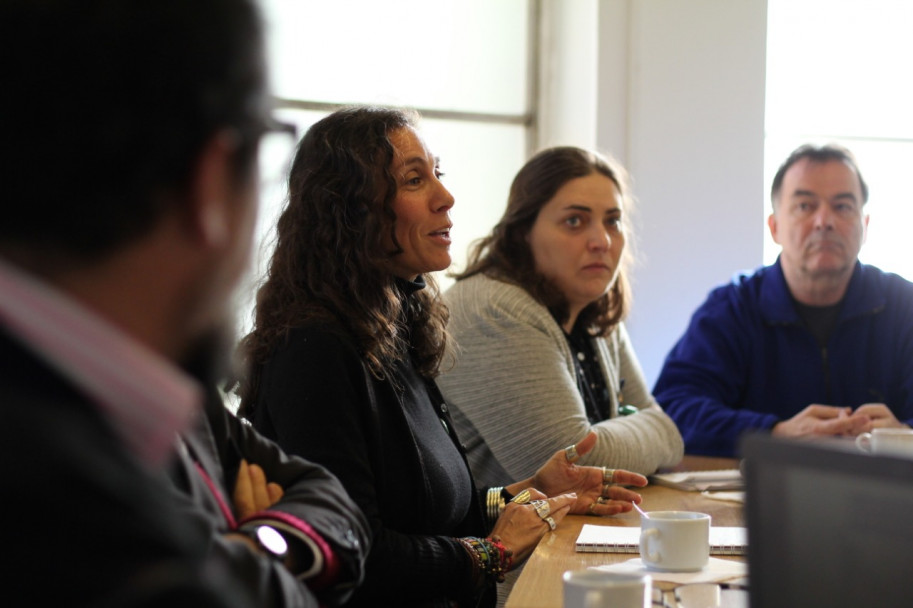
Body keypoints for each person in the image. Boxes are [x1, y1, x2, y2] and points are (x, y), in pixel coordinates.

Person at [1, 1, 368, 605]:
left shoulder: (166, 385)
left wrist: (264, 542)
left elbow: (327, 494)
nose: (446, 198)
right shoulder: (107, 548)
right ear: (211, 182)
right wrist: (264, 570)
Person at [237, 107, 648, 608]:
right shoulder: (314, 349)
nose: (445, 197)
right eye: (414, 180)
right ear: (351, 210)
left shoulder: (393, 324)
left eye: (438, 173)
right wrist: (491, 553)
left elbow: (431, 512)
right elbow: (354, 550)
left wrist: (530, 492)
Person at [436, 146, 684, 489]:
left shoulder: (592, 307)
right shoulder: (494, 308)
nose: (601, 240)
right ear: (523, 231)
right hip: (492, 540)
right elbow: (572, 466)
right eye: (574, 221)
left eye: (613, 221)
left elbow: (667, 438)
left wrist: (659, 431)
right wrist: (658, 431)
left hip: (568, 532)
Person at [653, 143, 913, 457]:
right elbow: (673, 410)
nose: (824, 221)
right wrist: (776, 433)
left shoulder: (904, 306)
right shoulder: (732, 308)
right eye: (805, 206)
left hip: (881, 499)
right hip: (762, 498)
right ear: (775, 227)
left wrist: (904, 436)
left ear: (865, 226)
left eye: (842, 207)